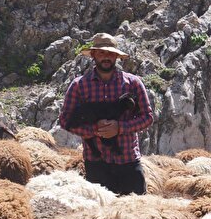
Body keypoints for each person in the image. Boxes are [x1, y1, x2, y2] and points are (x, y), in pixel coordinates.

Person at [58, 32, 154, 195]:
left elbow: (147, 117)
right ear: (94, 55)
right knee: (100, 209)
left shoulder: (133, 84)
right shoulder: (79, 86)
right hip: (97, 165)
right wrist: (95, 130)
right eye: (101, 53)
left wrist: (119, 128)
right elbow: (65, 120)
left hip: (128, 162)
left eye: (110, 53)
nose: (106, 57)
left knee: (137, 208)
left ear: (116, 56)